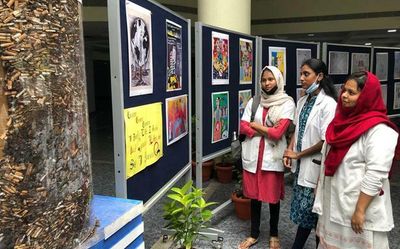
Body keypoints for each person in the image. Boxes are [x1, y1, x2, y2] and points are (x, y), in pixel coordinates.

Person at [312, 71, 399, 249]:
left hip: (359, 210)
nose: (344, 95)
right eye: (344, 90)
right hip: (334, 204)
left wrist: (360, 210)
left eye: (352, 93)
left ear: (367, 97)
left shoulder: (379, 130)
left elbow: (376, 174)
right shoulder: (339, 123)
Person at [238, 65, 296, 249]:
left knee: (272, 199)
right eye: (264, 80)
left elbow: (278, 133)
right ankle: (253, 234)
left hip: (272, 157)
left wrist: (255, 126)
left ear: (278, 80)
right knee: (254, 198)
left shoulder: (287, 103)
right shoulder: (255, 101)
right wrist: (266, 130)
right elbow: (243, 126)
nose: (267, 83)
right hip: (253, 156)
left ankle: (274, 234)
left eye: (270, 79)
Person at [283, 58, 337, 249]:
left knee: (313, 213)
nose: (301, 78)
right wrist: (290, 150)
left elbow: (324, 140)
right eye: (301, 73)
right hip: (301, 167)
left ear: (320, 76)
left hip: (315, 166)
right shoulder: (303, 100)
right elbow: (296, 130)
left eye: (306, 74)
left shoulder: (328, 104)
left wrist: (298, 154)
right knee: (307, 214)